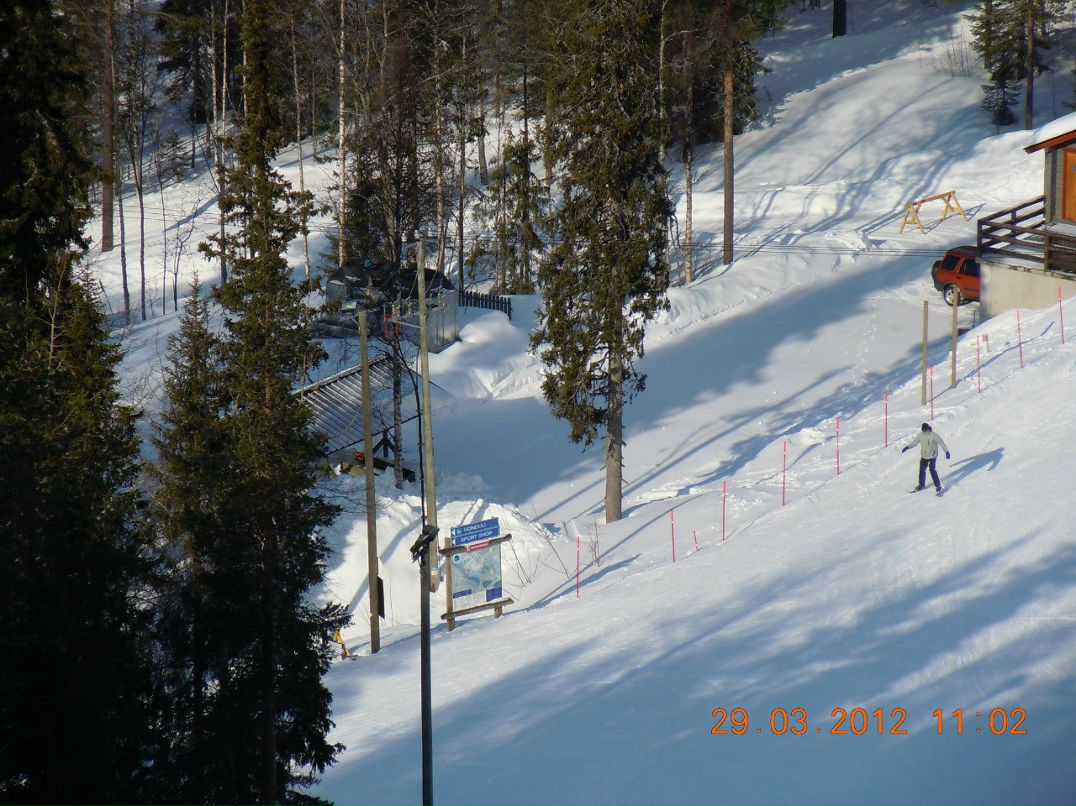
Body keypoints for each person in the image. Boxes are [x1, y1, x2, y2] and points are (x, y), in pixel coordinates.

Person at [902, 422, 950, 493]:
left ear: (928, 428)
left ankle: (938, 486)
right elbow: (914, 442)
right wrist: (907, 447)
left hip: (932, 456)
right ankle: (921, 485)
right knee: (922, 470)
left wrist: (946, 451)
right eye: (923, 430)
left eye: (925, 429)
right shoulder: (920, 435)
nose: (924, 431)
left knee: (932, 470)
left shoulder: (933, 435)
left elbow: (941, 442)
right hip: (924, 456)